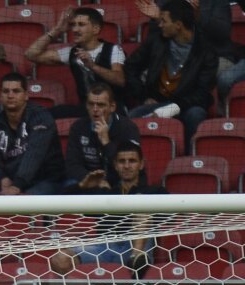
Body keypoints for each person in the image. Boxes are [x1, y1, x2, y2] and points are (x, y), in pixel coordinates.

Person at [50, 142, 165, 277]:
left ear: (141, 164)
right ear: (116, 165)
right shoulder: (106, 194)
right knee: (60, 259)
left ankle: (136, 260)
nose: (127, 166)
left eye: (132, 161)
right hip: (105, 248)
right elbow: (58, 203)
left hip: (136, 247)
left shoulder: (156, 191)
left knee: (142, 201)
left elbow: (171, 219)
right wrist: (82, 186)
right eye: (122, 161)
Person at [125, 0, 217, 150]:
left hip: (187, 105)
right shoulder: (156, 41)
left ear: (178, 25)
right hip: (156, 102)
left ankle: (188, 157)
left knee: (196, 114)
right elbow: (130, 67)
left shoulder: (206, 53)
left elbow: (202, 93)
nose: (159, 24)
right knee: (132, 117)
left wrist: (174, 108)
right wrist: (143, 96)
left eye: (164, 21)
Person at [136, 0, 245, 110]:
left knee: (221, 76)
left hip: (217, 55)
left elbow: (222, 32)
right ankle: (158, 112)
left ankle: (219, 113)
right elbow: (154, 39)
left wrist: (198, 17)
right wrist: (158, 18)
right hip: (174, 58)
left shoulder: (216, 2)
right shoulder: (165, 2)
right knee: (145, 74)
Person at [25, 7, 127, 120]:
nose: (75, 29)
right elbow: (31, 54)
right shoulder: (71, 52)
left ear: (96, 29)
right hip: (85, 108)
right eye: (73, 25)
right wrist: (58, 29)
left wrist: (92, 66)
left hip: (111, 109)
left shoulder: (114, 50)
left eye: (81, 25)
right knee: (42, 115)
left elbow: (120, 80)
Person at [0, 73, 65, 195]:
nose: (10, 95)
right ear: (0, 96)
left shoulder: (41, 117)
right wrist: (2, 179)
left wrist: (17, 185)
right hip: (10, 180)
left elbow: (35, 154)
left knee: (31, 198)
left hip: (44, 180)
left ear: (26, 95)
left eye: (16, 91)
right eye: (6, 91)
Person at [64, 84, 141, 191]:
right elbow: (72, 164)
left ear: (112, 107)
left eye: (100, 105)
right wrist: (93, 180)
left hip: (117, 178)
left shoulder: (128, 128)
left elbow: (129, 165)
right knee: (70, 184)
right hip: (87, 179)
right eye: (91, 104)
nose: (95, 109)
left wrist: (106, 142)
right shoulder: (78, 127)